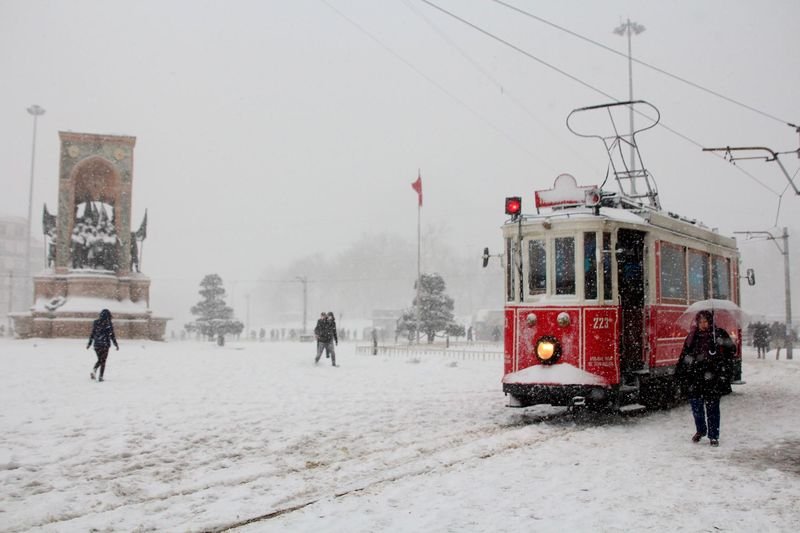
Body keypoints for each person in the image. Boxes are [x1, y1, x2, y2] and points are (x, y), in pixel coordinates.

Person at [675, 310, 736, 447]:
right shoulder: (693, 336)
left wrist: (719, 349)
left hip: (713, 377)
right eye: (700, 321)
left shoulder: (719, 334)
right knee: (696, 406)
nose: (703, 324)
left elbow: (732, 350)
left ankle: (713, 435)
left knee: (712, 407)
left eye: (705, 321)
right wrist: (680, 372)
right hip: (695, 376)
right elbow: (685, 354)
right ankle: (701, 430)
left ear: (710, 321)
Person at [87, 309, 119, 382]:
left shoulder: (96, 322)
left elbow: (93, 334)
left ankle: (94, 371)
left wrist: (89, 343)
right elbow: (112, 335)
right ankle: (100, 377)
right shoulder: (108, 324)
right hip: (105, 345)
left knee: (100, 360)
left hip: (97, 345)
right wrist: (116, 344)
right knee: (103, 361)